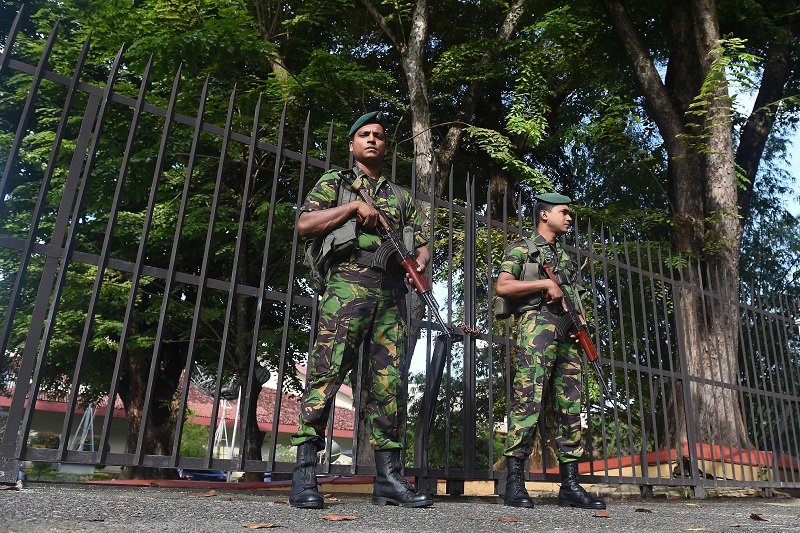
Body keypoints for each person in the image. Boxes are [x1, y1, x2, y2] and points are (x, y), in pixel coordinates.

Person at [289, 111, 433, 509]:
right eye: (364, 135)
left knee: (389, 386)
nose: (372, 139)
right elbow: (304, 223)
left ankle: (388, 478)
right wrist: (352, 209)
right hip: (347, 287)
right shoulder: (336, 183)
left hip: (390, 296)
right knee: (327, 373)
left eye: (379, 136)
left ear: (386, 147)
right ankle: (304, 474)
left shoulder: (401, 196)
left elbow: (420, 242)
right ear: (353, 144)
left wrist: (419, 262)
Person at [494, 192, 606, 510]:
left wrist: (580, 323)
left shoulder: (565, 259)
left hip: (567, 335)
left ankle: (570, 484)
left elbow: (573, 296)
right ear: (544, 215)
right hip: (537, 331)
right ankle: (514, 483)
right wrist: (544, 285)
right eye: (564, 212)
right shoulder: (523, 249)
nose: (570, 218)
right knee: (528, 402)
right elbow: (503, 285)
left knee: (570, 407)